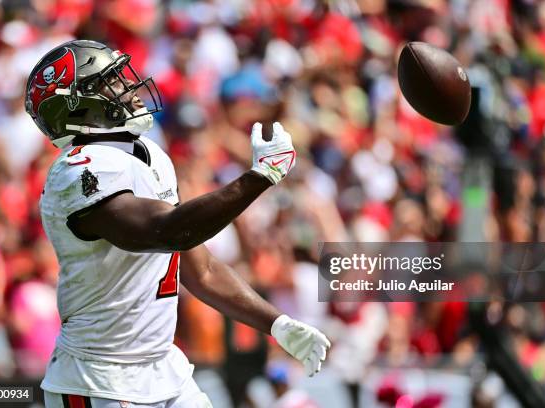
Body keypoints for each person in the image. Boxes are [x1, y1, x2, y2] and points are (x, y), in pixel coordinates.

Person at [24, 39, 330, 408]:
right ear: (78, 105)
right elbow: (165, 231)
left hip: (164, 369)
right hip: (99, 379)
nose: (127, 86)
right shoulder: (79, 169)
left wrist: (277, 324)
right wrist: (259, 177)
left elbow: (201, 269)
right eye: (110, 81)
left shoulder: (149, 154)